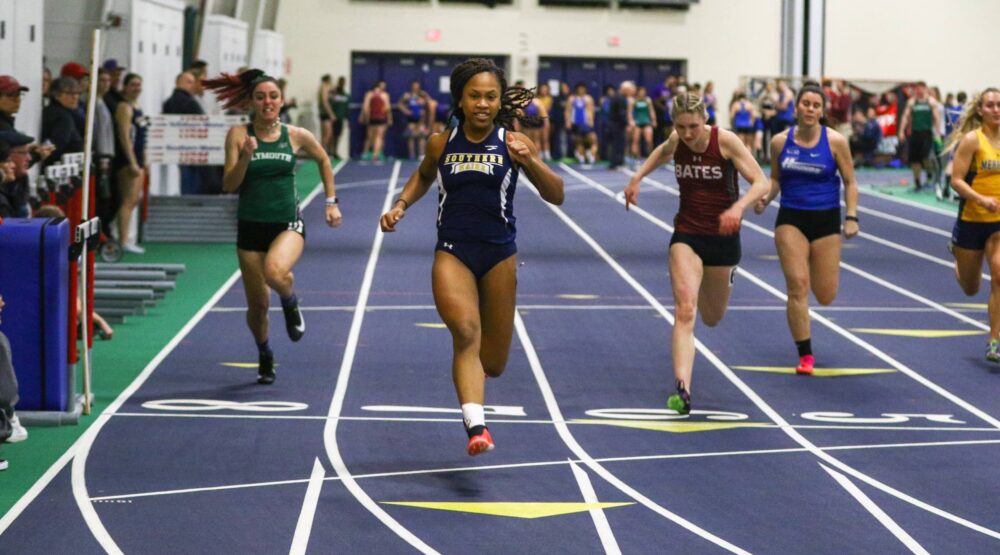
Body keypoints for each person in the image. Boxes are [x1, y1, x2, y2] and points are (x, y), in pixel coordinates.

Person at [379, 58, 564, 455]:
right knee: (465, 332)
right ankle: (476, 427)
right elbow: (425, 174)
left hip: (499, 254)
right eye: (474, 96)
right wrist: (401, 204)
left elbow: (557, 195)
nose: (482, 103)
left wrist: (529, 160)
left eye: (490, 96)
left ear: (500, 103)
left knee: (493, 363)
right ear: (460, 101)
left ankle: (477, 396)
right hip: (453, 251)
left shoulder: (514, 144)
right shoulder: (441, 142)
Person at [623, 93, 769, 414]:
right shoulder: (677, 140)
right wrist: (636, 178)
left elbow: (761, 181)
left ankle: (711, 278)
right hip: (687, 233)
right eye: (681, 127)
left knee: (712, 317)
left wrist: (739, 207)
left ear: (705, 120)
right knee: (685, 310)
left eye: (693, 126)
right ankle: (682, 389)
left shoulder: (725, 141)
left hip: (723, 237)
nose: (687, 134)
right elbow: (661, 152)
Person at [207, 69, 343, 385]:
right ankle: (265, 353)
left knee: (275, 272)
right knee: (258, 306)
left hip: (287, 223)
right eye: (261, 97)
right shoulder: (239, 135)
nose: (267, 102)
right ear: (252, 102)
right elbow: (229, 185)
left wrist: (330, 202)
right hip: (250, 228)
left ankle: (290, 300)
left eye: (273, 96)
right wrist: (245, 157)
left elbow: (324, 160)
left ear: (282, 100)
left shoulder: (296, 135)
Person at [754, 82, 860, 374]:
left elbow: (850, 182)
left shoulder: (835, 141)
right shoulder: (779, 142)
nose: (810, 109)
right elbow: (775, 178)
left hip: (825, 219)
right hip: (792, 218)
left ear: (822, 111)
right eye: (806, 104)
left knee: (825, 295)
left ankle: (818, 273)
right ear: (796, 107)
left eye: (816, 105)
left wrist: (851, 216)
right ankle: (805, 354)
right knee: (797, 286)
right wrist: (766, 197)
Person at [946, 87, 1000, 362]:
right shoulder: (972, 140)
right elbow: (956, 179)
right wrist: (981, 199)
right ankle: (958, 255)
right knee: (971, 288)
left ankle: (994, 341)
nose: (996, 110)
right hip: (971, 220)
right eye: (990, 105)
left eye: (999, 105)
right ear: (980, 110)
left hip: (998, 224)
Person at [112, 73, 147, 254]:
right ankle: (123, 240)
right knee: (128, 200)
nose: (137, 88)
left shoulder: (137, 106)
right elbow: (124, 137)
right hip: (127, 161)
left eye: (139, 85)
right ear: (124, 87)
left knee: (134, 199)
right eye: (133, 84)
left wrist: (143, 159)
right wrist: (132, 161)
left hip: (138, 159)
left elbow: (141, 135)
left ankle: (125, 238)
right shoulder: (124, 108)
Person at [163, 72, 207, 194]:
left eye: (193, 82)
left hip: (180, 147)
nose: (192, 85)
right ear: (178, 83)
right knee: (191, 180)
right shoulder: (187, 101)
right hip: (191, 147)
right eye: (189, 81)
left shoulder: (169, 101)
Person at [898, 81, 941, 191]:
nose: (919, 90)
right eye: (917, 88)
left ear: (926, 89)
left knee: (925, 157)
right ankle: (917, 182)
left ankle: (929, 174)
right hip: (915, 134)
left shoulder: (931, 102)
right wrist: (901, 131)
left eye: (921, 88)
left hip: (927, 133)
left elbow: (937, 118)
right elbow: (905, 117)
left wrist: (938, 133)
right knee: (915, 160)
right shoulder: (912, 102)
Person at [42, 77, 84, 167]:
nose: (75, 97)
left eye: (77, 93)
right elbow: (56, 146)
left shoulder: (51, 111)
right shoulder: (63, 117)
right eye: (70, 93)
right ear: (56, 95)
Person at [566, 82, 597, 164]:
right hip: (575, 123)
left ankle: (591, 156)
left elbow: (591, 111)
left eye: (583, 88)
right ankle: (582, 157)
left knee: (592, 140)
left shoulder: (588, 98)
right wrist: (568, 122)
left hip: (586, 123)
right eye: (579, 88)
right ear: (576, 89)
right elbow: (568, 111)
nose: (581, 90)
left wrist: (591, 122)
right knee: (579, 141)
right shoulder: (572, 98)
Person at [360, 80, 391, 161]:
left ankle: (366, 153)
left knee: (370, 136)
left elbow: (365, 108)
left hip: (372, 118)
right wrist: (387, 117)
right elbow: (387, 108)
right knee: (379, 137)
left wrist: (366, 117)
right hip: (381, 118)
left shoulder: (369, 94)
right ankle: (375, 154)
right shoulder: (384, 95)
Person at [398, 80, 429, 159]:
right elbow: (399, 104)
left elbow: (429, 103)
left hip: (421, 119)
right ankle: (411, 154)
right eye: (414, 86)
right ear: (412, 86)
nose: (415, 87)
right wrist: (405, 110)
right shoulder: (407, 95)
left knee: (421, 135)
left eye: (417, 86)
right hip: (411, 119)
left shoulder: (422, 95)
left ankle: (421, 154)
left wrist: (424, 104)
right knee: (411, 136)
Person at [629, 85, 657, 161]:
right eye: (641, 92)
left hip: (646, 122)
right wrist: (631, 121)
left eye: (644, 92)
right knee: (636, 140)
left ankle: (650, 157)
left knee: (649, 140)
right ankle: (636, 158)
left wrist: (654, 120)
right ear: (638, 92)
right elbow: (630, 112)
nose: (642, 93)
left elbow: (651, 111)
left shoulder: (648, 100)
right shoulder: (633, 101)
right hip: (637, 122)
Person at [330, 77, 349, 160]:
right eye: (341, 82)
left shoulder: (346, 95)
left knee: (337, 136)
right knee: (331, 136)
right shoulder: (334, 94)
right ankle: (329, 152)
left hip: (340, 118)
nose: (342, 84)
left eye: (343, 82)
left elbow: (346, 108)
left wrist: (347, 118)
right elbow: (330, 104)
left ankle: (335, 152)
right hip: (333, 118)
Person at [317, 75, 335, 154]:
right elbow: (325, 101)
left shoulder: (325, 87)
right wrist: (331, 113)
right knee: (327, 134)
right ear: (327, 80)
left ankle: (323, 152)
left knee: (326, 134)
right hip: (325, 113)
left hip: (324, 112)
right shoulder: (324, 87)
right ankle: (322, 153)